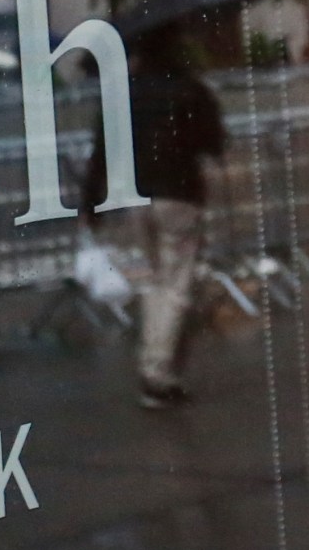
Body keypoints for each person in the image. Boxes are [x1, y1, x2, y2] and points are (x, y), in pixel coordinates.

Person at [91, 27, 226, 409]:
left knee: (152, 282)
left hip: (135, 194)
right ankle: (157, 373)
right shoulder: (191, 90)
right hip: (179, 194)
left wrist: (90, 204)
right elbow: (213, 143)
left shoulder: (123, 93)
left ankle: (157, 366)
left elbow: (102, 149)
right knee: (177, 284)